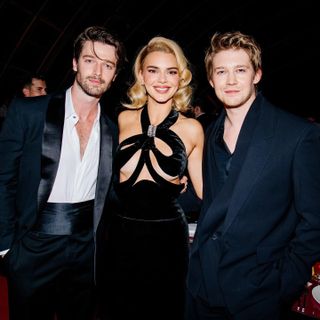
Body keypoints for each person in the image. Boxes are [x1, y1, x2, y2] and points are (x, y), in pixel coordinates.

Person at [186, 30, 320, 320]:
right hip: (200, 288)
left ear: (257, 74)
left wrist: (282, 283)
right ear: (211, 80)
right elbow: (213, 202)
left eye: (240, 70)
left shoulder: (297, 135)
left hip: (257, 294)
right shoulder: (210, 134)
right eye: (221, 71)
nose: (231, 81)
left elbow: (314, 221)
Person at [0, 25, 126, 320]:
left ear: (115, 74)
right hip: (33, 247)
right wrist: (6, 248)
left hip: (86, 252)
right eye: (90, 60)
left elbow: (116, 194)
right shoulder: (29, 112)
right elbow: (3, 178)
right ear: (74, 63)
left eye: (107, 65)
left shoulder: (113, 130)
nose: (98, 71)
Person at [100, 36, 204, 320]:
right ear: (141, 75)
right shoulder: (122, 118)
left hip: (168, 236)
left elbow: (205, 193)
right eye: (153, 70)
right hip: (121, 234)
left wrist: (178, 192)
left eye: (171, 71)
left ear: (180, 78)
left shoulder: (193, 128)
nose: (162, 79)